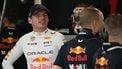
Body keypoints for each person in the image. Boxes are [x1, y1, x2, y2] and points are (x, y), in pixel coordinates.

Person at [2, 4, 66, 69]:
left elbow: (68, 61)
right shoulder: (24, 39)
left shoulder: (58, 37)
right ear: (30, 20)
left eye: (44, 15)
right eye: (38, 15)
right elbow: (6, 62)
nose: (42, 18)